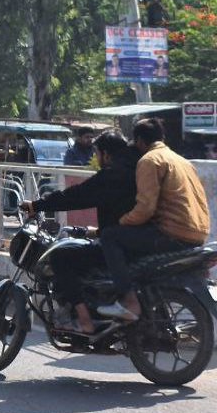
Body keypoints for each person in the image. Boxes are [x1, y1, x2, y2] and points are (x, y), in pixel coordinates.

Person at [22, 132, 140, 334]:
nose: (96, 158)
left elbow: (75, 197)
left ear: (107, 155)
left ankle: (84, 320)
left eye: (97, 153)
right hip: (136, 240)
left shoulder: (113, 175)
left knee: (60, 257)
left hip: (118, 247)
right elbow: (120, 211)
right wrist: (95, 232)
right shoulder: (136, 171)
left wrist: (37, 205)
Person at [99, 117, 211, 320]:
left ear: (140, 141)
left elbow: (145, 208)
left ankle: (129, 302)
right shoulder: (182, 161)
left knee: (110, 236)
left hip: (172, 233)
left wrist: (122, 221)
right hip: (199, 234)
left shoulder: (149, 160)